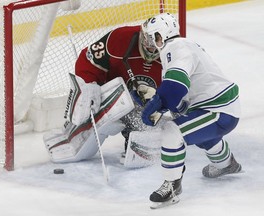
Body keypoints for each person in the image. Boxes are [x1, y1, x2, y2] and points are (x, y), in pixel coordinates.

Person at [133, 13, 242, 209]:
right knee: (199, 133)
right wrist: (158, 104)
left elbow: (175, 88)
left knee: (173, 132)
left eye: (152, 36)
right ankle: (226, 164)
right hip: (218, 107)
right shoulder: (177, 48)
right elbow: (179, 100)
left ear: (162, 35)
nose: (149, 42)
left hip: (219, 110)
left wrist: (156, 104)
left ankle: (172, 187)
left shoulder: (176, 48)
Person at [44, 24, 165, 165]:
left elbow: (181, 92)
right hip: (111, 91)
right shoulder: (120, 38)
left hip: (148, 101)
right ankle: (72, 134)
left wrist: (164, 107)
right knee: (92, 107)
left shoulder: (176, 54)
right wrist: (89, 84)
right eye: (147, 42)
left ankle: (142, 143)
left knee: (147, 123)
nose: (150, 48)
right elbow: (87, 60)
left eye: (155, 44)